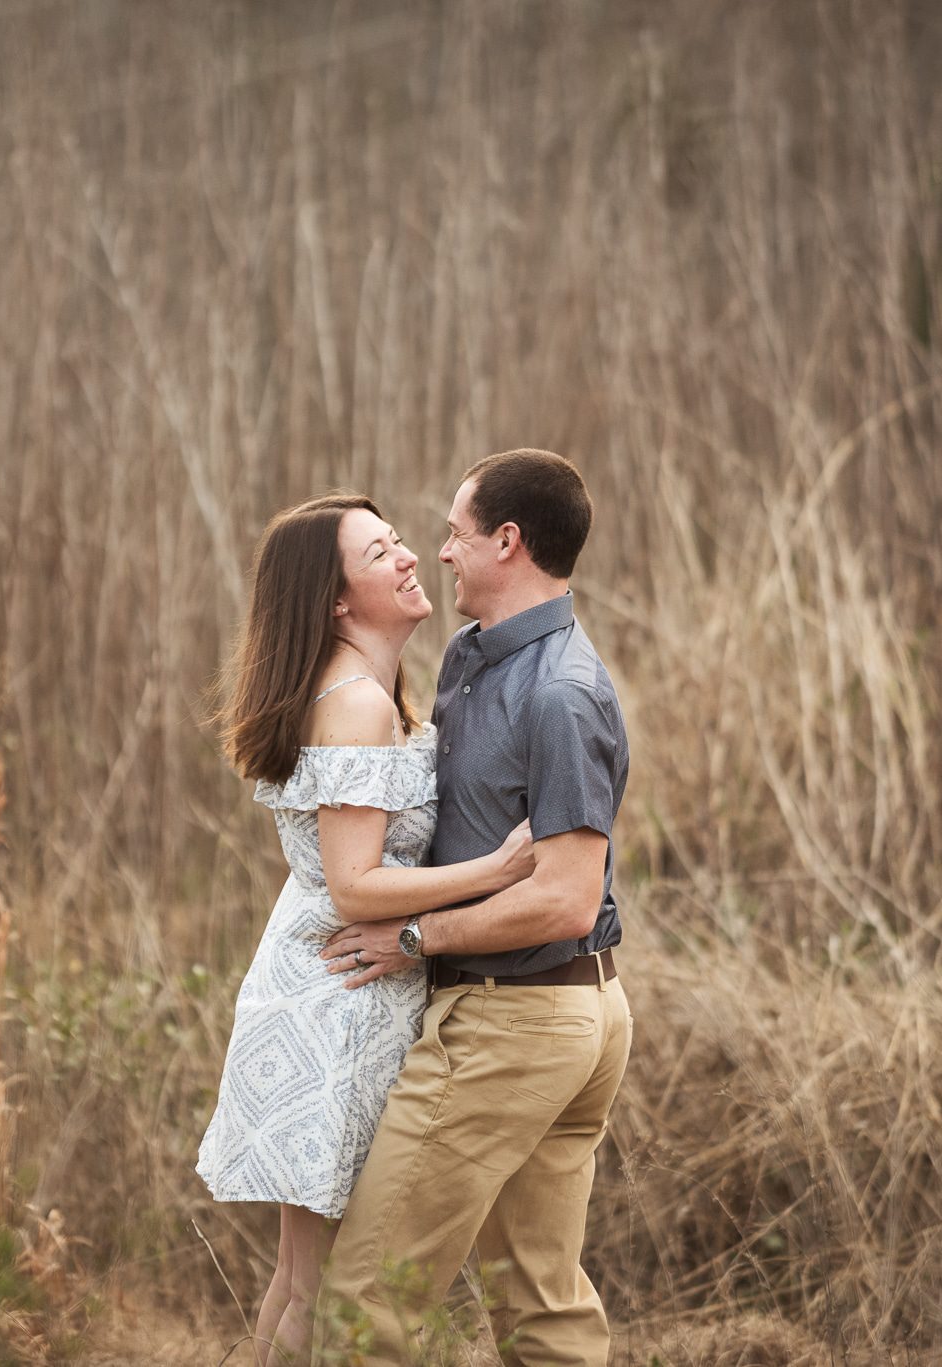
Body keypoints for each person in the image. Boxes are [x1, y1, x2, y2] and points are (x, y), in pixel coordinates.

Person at [197, 491, 536, 1366]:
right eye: (380, 552)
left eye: (398, 541)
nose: (409, 556)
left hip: (332, 985)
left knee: (302, 1273)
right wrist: (497, 872)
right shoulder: (356, 704)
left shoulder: (369, 692)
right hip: (338, 1000)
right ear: (338, 601)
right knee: (322, 1279)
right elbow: (355, 885)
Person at [316, 449, 633, 1365]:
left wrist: (413, 936)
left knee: (365, 1305)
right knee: (542, 1310)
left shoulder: (562, 694)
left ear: (508, 541)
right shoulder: (469, 657)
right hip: (548, 1014)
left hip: (518, 1019)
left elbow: (568, 898)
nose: (441, 552)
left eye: (456, 532)